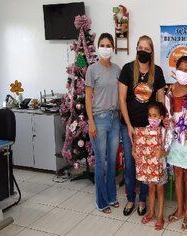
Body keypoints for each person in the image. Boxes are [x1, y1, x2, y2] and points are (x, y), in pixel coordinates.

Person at [119, 35, 166, 217]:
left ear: (151, 52)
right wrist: (129, 126)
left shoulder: (158, 72)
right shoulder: (127, 69)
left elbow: (160, 99)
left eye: (147, 49)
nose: (143, 51)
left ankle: (143, 199)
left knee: (148, 164)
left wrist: (159, 126)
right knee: (131, 163)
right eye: (140, 47)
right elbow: (122, 99)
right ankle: (131, 198)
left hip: (150, 129)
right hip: (130, 126)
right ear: (136, 49)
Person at [85, 33, 121, 214]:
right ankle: (101, 202)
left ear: (113, 49)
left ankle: (112, 196)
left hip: (115, 120)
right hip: (99, 120)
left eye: (109, 45)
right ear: (99, 47)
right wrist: (91, 121)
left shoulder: (117, 70)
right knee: (101, 163)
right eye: (103, 45)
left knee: (112, 161)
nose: (106, 48)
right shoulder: (92, 70)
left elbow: (121, 96)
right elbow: (88, 97)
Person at [166, 56, 187, 232]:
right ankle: (179, 209)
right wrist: (168, 122)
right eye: (181, 69)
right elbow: (168, 111)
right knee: (177, 173)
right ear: (176, 69)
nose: (184, 72)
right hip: (175, 139)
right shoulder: (171, 88)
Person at [133, 102, 169, 230]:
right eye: (150, 115)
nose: (152, 118)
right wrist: (134, 152)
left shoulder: (164, 131)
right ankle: (152, 212)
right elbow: (137, 144)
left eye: (155, 115)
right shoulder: (145, 130)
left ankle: (160, 216)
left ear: (161, 117)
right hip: (149, 167)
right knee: (151, 189)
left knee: (159, 190)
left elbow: (169, 150)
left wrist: (162, 152)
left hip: (161, 167)